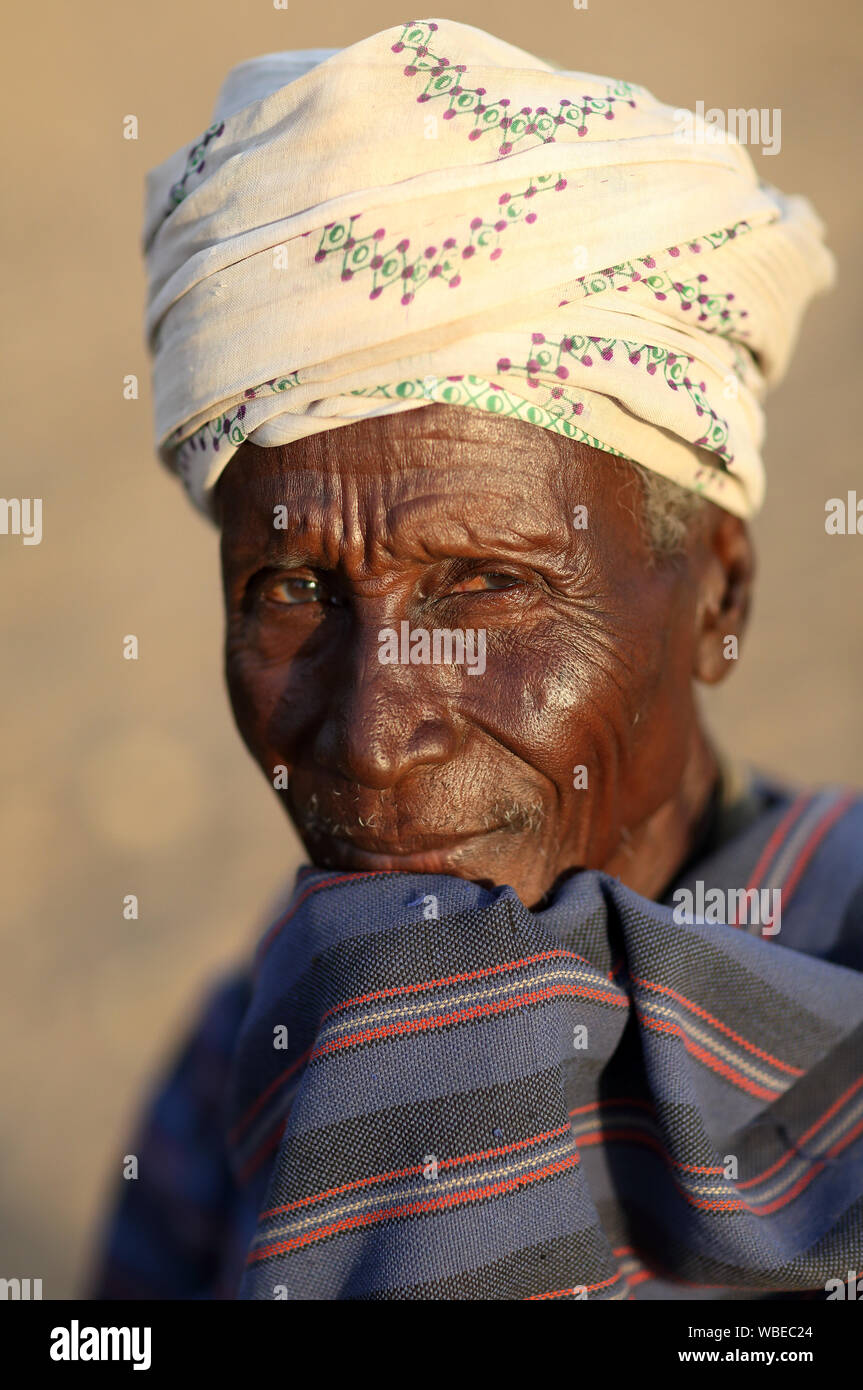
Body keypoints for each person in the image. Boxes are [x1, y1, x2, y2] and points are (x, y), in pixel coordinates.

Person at [89, 19, 863, 1300]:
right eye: (289, 591)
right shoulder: (248, 1054)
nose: (375, 730)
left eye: (488, 586)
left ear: (717, 591)